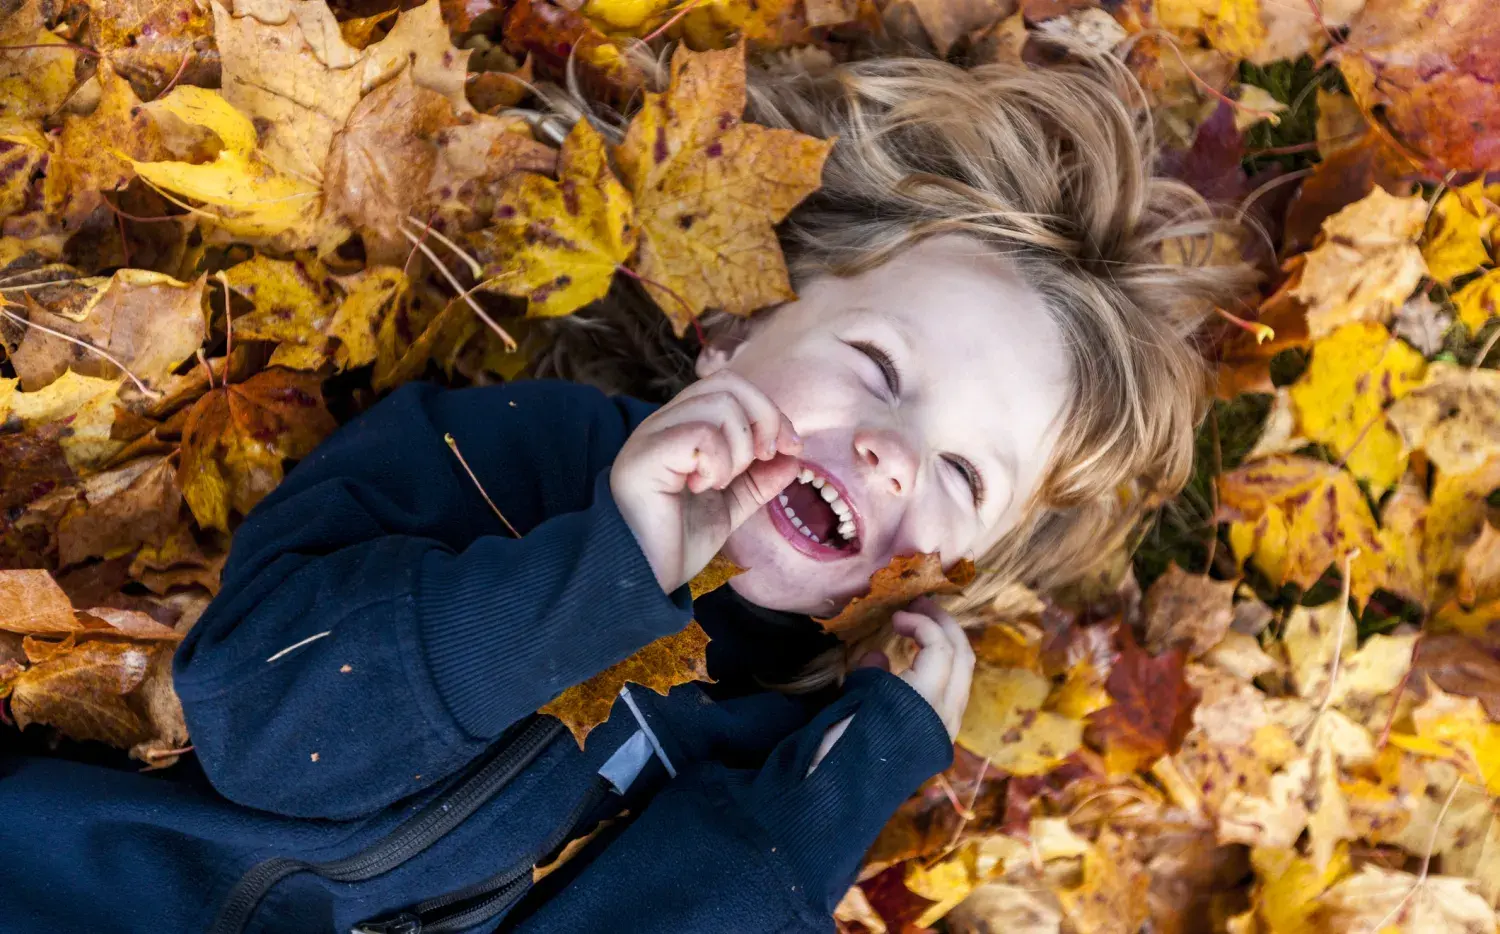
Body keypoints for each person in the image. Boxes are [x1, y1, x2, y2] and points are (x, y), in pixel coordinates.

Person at [0, 54, 1252, 933]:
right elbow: (261, 725)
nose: (890, 451)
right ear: (735, 328)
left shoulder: (789, 753)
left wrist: (834, 806)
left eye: (966, 474)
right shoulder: (508, 459)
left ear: (966, 563)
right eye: (876, 367)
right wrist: (599, 575)